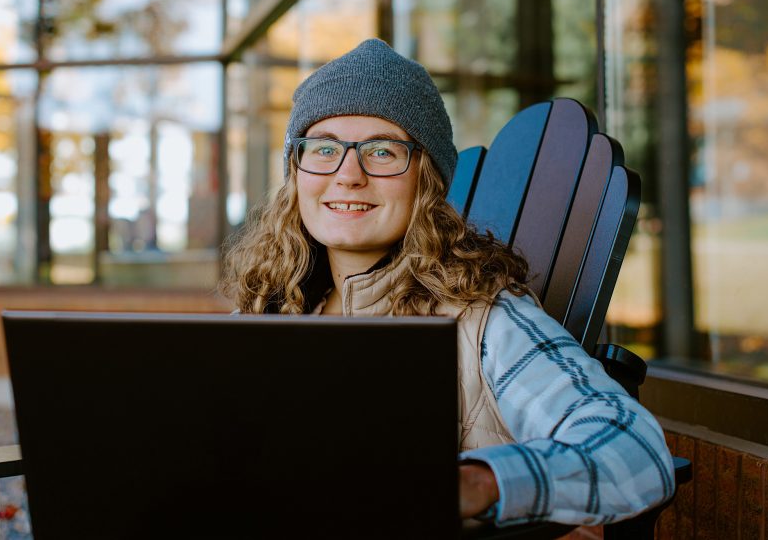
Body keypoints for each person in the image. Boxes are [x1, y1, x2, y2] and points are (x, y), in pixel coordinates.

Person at [220, 38, 675, 527]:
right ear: (296, 172)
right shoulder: (269, 313)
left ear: (427, 180)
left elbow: (635, 452)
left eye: (382, 151)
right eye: (324, 148)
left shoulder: (483, 321)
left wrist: (476, 483)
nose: (348, 174)